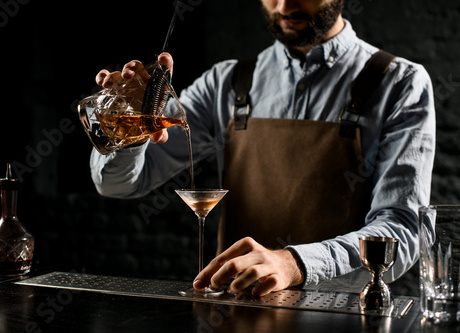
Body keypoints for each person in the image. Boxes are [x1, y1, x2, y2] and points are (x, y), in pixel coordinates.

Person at [90, 0, 435, 296]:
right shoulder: (225, 83)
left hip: (345, 317)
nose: (284, 7)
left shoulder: (400, 84)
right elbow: (119, 185)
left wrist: (294, 263)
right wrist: (127, 125)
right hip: (236, 315)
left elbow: (401, 230)